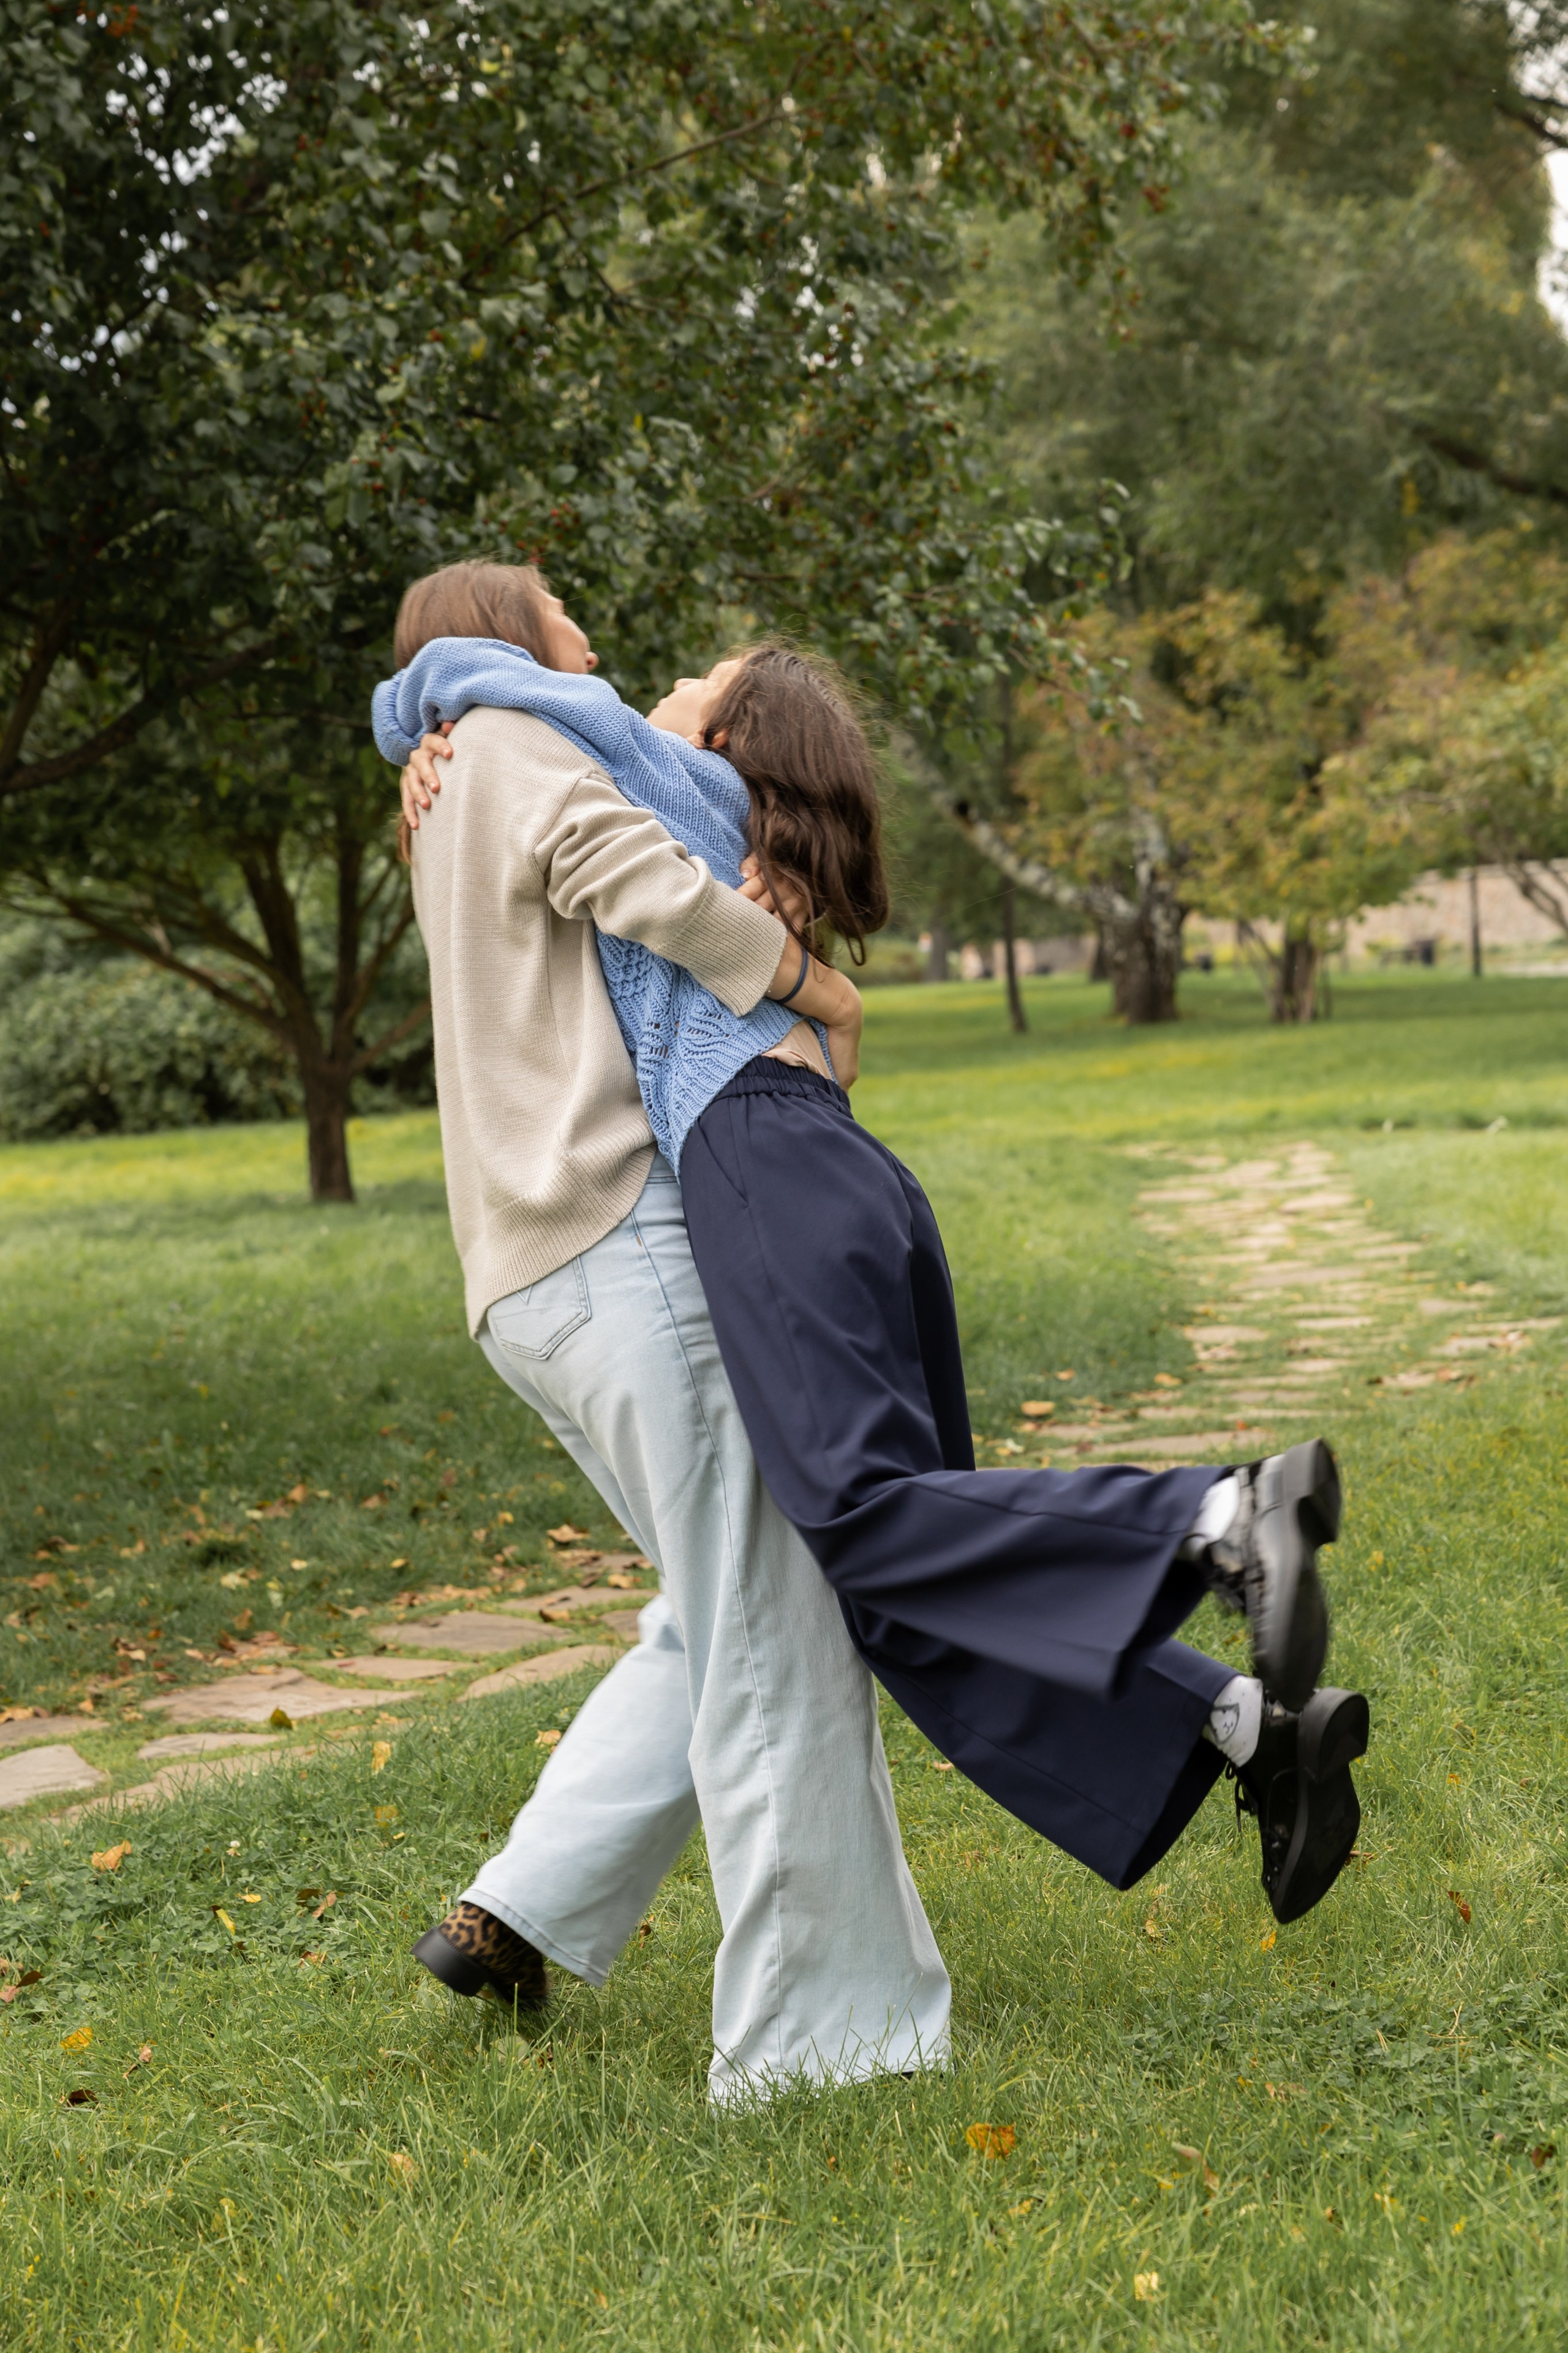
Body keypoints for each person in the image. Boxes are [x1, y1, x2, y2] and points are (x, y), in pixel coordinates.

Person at [385, 564, 1371, 1932]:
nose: (612, 653)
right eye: (564, 615)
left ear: (723, 749)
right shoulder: (604, 766)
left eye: (698, 686)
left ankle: (1213, 1519)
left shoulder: (623, 768)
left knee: (856, 1531)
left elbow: (558, 784)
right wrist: (436, 727)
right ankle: (1236, 1728)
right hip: (813, 1163)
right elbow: (541, 776)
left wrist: (435, 707)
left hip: (756, 1161)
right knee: (885, 1569)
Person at [394, 561, 951, 2106]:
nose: (599, 645)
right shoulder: (515, 740)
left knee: (718, 1604)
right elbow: (631, 877)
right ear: (510, 641)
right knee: (777, 1622)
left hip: (525, 1276)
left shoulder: (461, 759)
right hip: (613, 1251)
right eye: (569, 619)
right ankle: (819, 2042)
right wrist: (809, 983)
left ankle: (518, 1912)